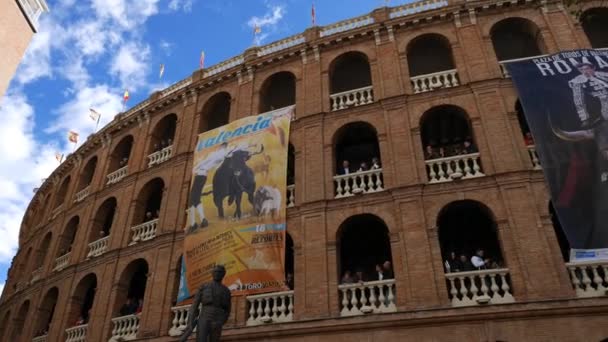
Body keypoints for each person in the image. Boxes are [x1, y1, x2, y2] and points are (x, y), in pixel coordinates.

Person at [180, 265, 231, 342]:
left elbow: (228, 310)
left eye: (219, 272)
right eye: (215, 272)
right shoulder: (204, 287)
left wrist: (221, 321)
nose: (217, 274)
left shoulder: (226, 291)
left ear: (223, 274)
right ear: (212, 273)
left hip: (217, 320)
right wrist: (190, 322)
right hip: (204, 318)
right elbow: (195, 305)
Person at [188, 142, 231, 232]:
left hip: (200, 174)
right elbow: (211, 163)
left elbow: (206, 161)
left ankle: (194, 224)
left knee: (192, 199)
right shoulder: (222, 154)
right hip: (202, 175)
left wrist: (195, 168)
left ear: (221, 146)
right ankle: (202, 221)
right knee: (195, 199)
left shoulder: (219, 153)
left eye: (220, 146)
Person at [569, 62, 608, 129]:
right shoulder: (578, 81)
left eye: (587, 69)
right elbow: (579, 100)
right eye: (582, 70)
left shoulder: (603, 75)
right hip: (598, 103)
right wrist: (585, 118)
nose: (585, 72)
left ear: (593, 68)